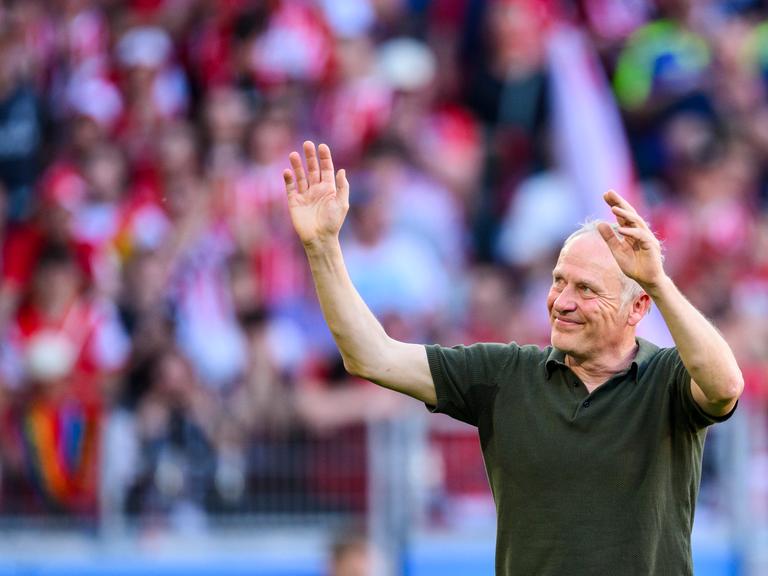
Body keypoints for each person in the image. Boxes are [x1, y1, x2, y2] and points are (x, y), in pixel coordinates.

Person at [282, 141, 744, 575]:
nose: (562, 301)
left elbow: (725, 387)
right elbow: (372, 357)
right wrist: (322, 248)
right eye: (559, 281)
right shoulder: (505, 373)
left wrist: (659, 283)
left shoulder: (667, 379)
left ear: (637, 308)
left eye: (586, 290)